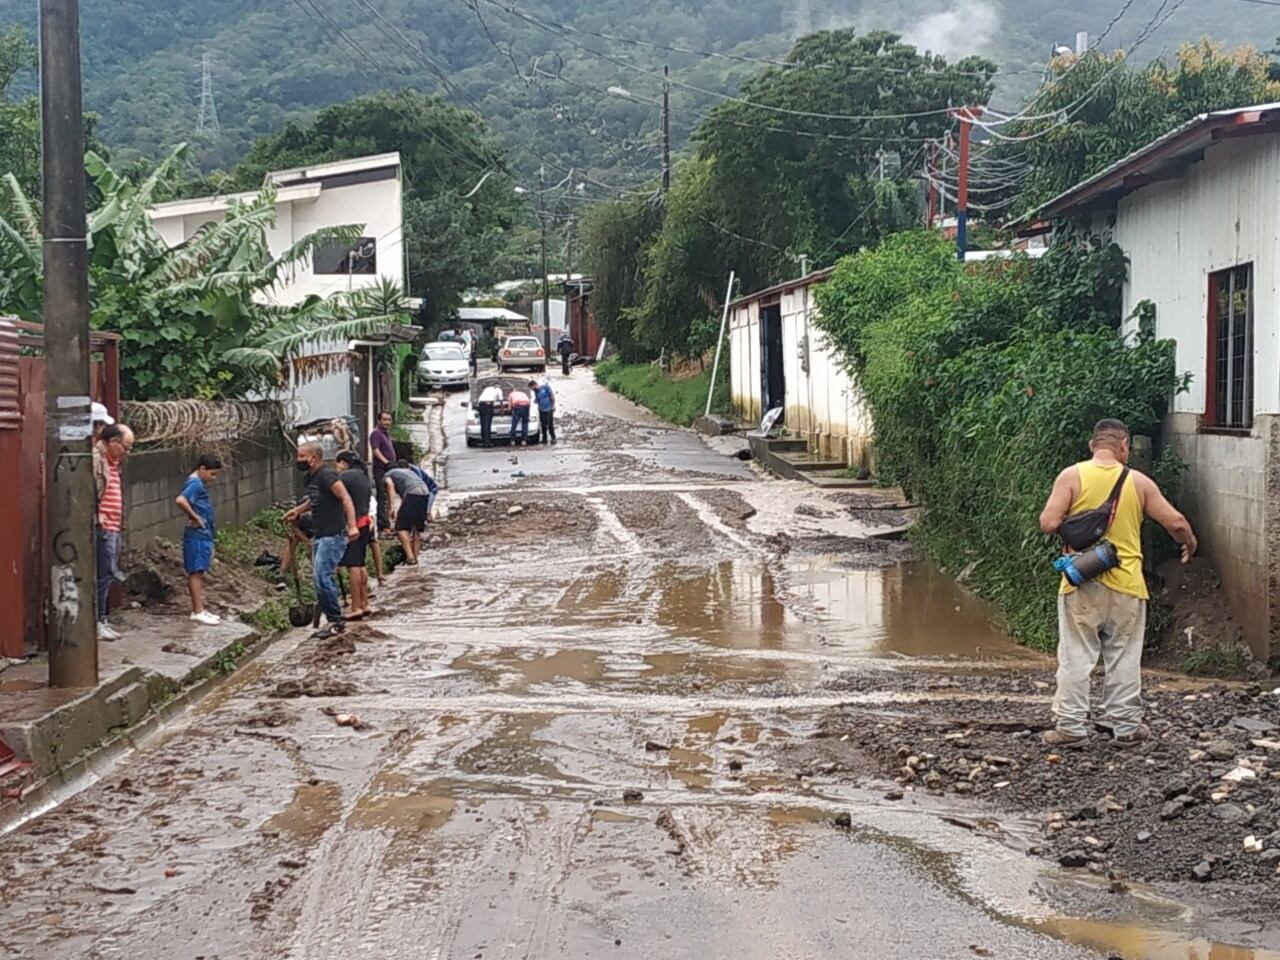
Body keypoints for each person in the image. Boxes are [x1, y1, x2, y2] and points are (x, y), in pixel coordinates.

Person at [1038, 419, 1198, 749]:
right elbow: (1176, 522)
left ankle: (1070, 727)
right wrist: (1189, 543)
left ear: (1092, 445)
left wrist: (1079, 528)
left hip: (1081, 581)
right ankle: (1126, 728)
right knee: (1123, 656)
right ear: (1123, 445)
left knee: (1076, 656)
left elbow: (1048, 523)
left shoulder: (1071, 476)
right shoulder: (1138, 482)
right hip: (1127, 584)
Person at [285, 443, 359, 639]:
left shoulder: (327, 475)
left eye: (302, 456)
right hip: (320, 535)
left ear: (313, 458)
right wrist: (299, 510)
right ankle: (333, 620)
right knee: (320, 579)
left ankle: (335, 621)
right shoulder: (311, 477)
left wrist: (352, 525)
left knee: (322, 578)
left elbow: (345, 497)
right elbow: (315, 498)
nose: (298, 460)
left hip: (333, 535)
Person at [93, 423, 133, 641]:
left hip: (114, 526)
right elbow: (89, 490)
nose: (127, 452)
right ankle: (98, 620)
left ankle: (103, 618)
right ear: (113, 442)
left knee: (107, 575)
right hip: (104, 526)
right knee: (104, 573)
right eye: (126, 447)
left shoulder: (114, 462)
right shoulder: (96, 460)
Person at [175, 454, 223, 625]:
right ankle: (197, 611)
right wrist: (195, 517)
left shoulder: (197, 483)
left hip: (203, 534)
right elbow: (181, 500)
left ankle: (200, 608)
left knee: (200, 571)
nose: (213, 478)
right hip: (197, 535)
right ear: (202, 469)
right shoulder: (195, 483)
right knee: (196, 572)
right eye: (212, 474)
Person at [335, 450, 374, 620]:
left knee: (353, 567)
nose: (337, 468)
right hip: (365, 523)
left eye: (337, 464)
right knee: (360, 564)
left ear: (343, 462)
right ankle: (364, 604)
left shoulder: (345, 477)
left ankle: (355, 606)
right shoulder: (363, 475)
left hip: (354, 526)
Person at [384, 462, 431, 564]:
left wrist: (391, 507)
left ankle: (410, 558)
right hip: (425, 492)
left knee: (400, 528)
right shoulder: (407, 473)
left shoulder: (388, 474)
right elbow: (405, 498)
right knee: (416, 528)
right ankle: (415, 557)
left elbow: (390, 485)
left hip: (413, 492)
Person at [370, 411, 396, 532]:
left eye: (389, 420)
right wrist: (386, 462)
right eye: (384, 420)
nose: (387, 422)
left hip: (388, 467)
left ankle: (388, 519)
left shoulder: (385, 433)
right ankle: (383, 524)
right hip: (381, 468)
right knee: (382, 495)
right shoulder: (376, 433)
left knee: (388, 493)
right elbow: (376, 450)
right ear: (379, 420)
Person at [477, 381, 503, 447]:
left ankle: (484, 441)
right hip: (488, 406)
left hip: (481, 406)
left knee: (483, 424)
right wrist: (501, 410)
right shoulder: (498, 390)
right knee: (487, 424)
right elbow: (501, 400)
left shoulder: (487, 389)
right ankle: (487, 443)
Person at [533, 378, 556, 445]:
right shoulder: (536, 392)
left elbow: (552, 396)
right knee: (543, 424)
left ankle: (553, 438)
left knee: (550, 424)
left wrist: (553, 405)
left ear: (535, 385)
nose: (533, 389)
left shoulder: (545, 387)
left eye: (533, 387)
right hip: (541, 409)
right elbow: (537, 399)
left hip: (549, 409)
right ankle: (544, 439)